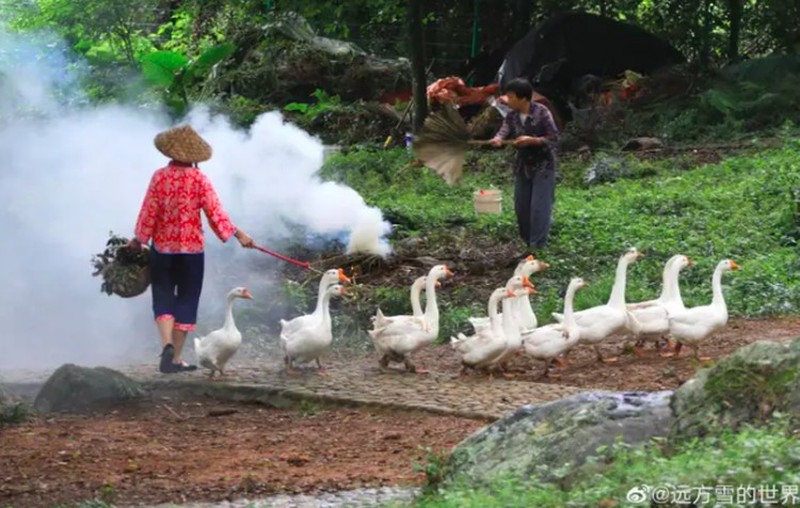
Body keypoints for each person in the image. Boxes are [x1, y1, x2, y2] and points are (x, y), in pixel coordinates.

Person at [128, 125, 255, 373]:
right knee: (186, 299)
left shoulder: (159, 177)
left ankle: (166, 346)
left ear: (169, 153)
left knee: (163, 297)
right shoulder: (199, 179)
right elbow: (215, 212)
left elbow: (149, 211)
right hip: (191, 252)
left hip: (162, 250)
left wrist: (138, 239)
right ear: (195, 157)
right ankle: (175, 359)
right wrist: (238, 234)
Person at [490, 78, 560, 252]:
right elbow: (504, 130)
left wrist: (533, 140)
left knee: (539, 207)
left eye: (511, 96)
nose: (507, 99)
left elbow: (554, 138)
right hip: (523, 166)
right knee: (521, 207)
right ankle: (527, 243)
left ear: (523, 98)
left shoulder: (542, 112)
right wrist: (498, 139)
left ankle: (537, 247)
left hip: (543, 166)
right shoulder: (512, 115)